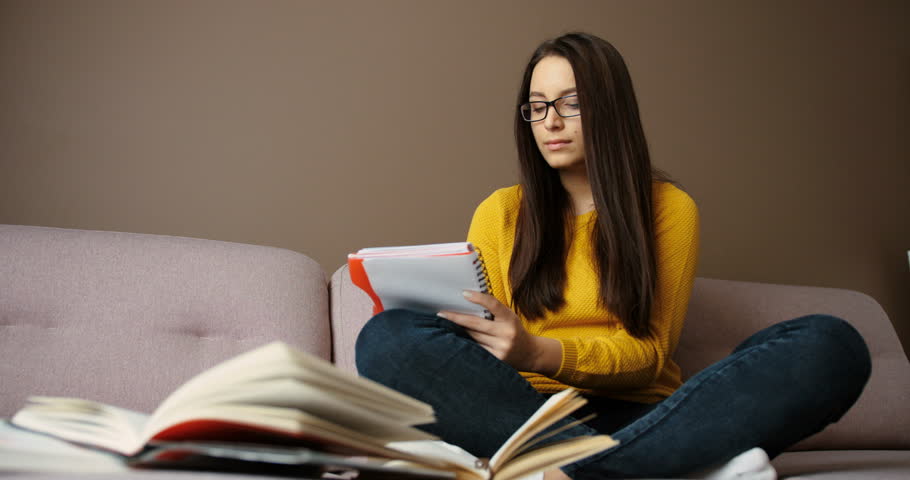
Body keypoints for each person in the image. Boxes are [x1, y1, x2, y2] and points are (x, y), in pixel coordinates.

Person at [355, 32, 871, 479]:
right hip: (525, 415)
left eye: (570, 103)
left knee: (833, 344)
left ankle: (578, 470)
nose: (550, 123)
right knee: (385, 338)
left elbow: (648, 358)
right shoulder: (501, 212)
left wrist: (538, 351)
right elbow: (481, 344)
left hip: (647, 416)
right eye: (537, 107)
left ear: (609, 107)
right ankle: (661, 467)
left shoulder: (669, 209)